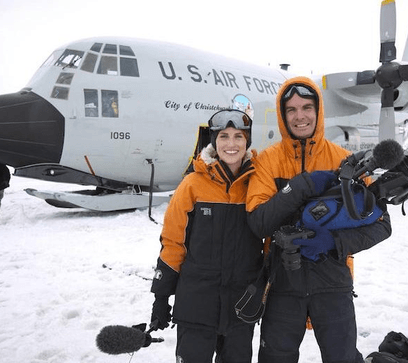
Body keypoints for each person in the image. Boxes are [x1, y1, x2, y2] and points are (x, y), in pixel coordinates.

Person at [246, 76, 392, 363]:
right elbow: (258, 223)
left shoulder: (344, 161)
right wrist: (300, 187)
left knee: (343, 358)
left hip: (333, 282)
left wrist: (335, 242)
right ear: (282, 115)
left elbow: (382, 224)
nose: (300, 116)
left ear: (318, 111)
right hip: (281, 282)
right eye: (291, 110)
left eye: (307, 107)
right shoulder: (267, 161)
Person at [150, 109, 263, 363]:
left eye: (238, 137)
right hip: (196, 305)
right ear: (214, 141)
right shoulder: (192, 185)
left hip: (241, 306)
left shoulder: (257, 184)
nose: (231, 144)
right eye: (223, 136)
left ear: (247, 142)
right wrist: (161, 296)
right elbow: (172, 242)